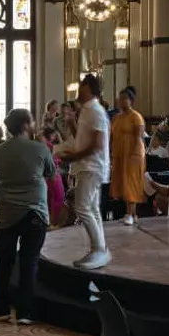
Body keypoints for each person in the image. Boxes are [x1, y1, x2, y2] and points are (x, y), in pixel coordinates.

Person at [0, 108, 54, 323]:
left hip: (7, 211)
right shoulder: (40, 148)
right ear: (26, 124)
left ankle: (0, 309)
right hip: (35, 210)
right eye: (32, 121)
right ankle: (25, 312)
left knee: (2, 261)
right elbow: (51, 172)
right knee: (29, 260)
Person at [54, 73, 111, 269]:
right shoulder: (87, 111)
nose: (78, 90)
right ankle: (100, 249)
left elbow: (97, 145)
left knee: (82, 207)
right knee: (91, 208)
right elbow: (83, 140)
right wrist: (72, 125)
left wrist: (73, 157)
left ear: (90, 89)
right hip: (87, 166)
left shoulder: (95, 110)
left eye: (82, 87)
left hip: (91, 167)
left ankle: (99, 249)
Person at [108, 86, 148, 226]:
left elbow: (139, 137)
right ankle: (131, 213)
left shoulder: (136, 117)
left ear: (131, 101)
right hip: (120, 154)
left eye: (124, 98)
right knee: (123, 183)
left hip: (133, 154)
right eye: (120, 99)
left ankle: (130, 214)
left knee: (131, 182)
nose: (121, 101)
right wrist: (111, 153)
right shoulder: (116, 118)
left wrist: (134, 154)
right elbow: (111, 137)